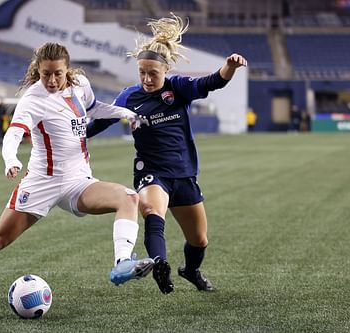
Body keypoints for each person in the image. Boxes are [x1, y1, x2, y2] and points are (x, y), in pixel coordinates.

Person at [0, 42, 154, 302]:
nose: (52, 79)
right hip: (41, 183)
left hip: (78, 182)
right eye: (46, 73)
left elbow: (94, 108)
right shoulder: (32, 99)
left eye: (57, 73)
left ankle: (122, 264)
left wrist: (124, 112)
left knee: (129, 197)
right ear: (38, 70)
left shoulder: (80, 84)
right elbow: (13, 134)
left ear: (67, 69)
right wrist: (10, 159)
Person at [87, 13, 248, 294]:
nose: (147, 79)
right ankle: (159, 264)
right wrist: (69, 134)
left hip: (183, 173)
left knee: (199, 240)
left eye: (153, 73)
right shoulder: (128, 97)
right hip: (151, 170)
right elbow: (99, 124)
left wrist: (229, 67)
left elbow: (212, 82)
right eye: (142, 72)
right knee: (151, 210)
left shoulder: (178, 88)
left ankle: (191, 270)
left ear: (165, 69)